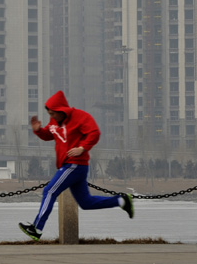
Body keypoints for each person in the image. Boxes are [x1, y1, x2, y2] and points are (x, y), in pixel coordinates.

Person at [18, 90, 133, 241]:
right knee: (86, 202)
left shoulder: (80, 117)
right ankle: (122, 201)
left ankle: (37, 228)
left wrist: (82, 148)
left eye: (53, 113)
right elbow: (50, 135)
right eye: (49, 114)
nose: (51, 117)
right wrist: (38, 130)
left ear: (61, 110)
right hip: (71, 166)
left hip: (74, 164)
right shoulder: (54, 121)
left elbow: (94, 133)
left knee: (50, 191)